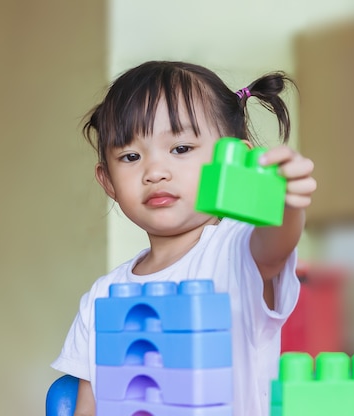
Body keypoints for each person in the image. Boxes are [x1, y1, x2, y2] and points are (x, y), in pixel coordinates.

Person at [51, 60, 317, 416]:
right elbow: (89, 406)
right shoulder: (101, 297)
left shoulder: (236, 251)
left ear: (233, 160)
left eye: (180, 149)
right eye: (130, 156)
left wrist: (284, 203)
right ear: (108, 182)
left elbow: (273, 246)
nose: (155, 172)